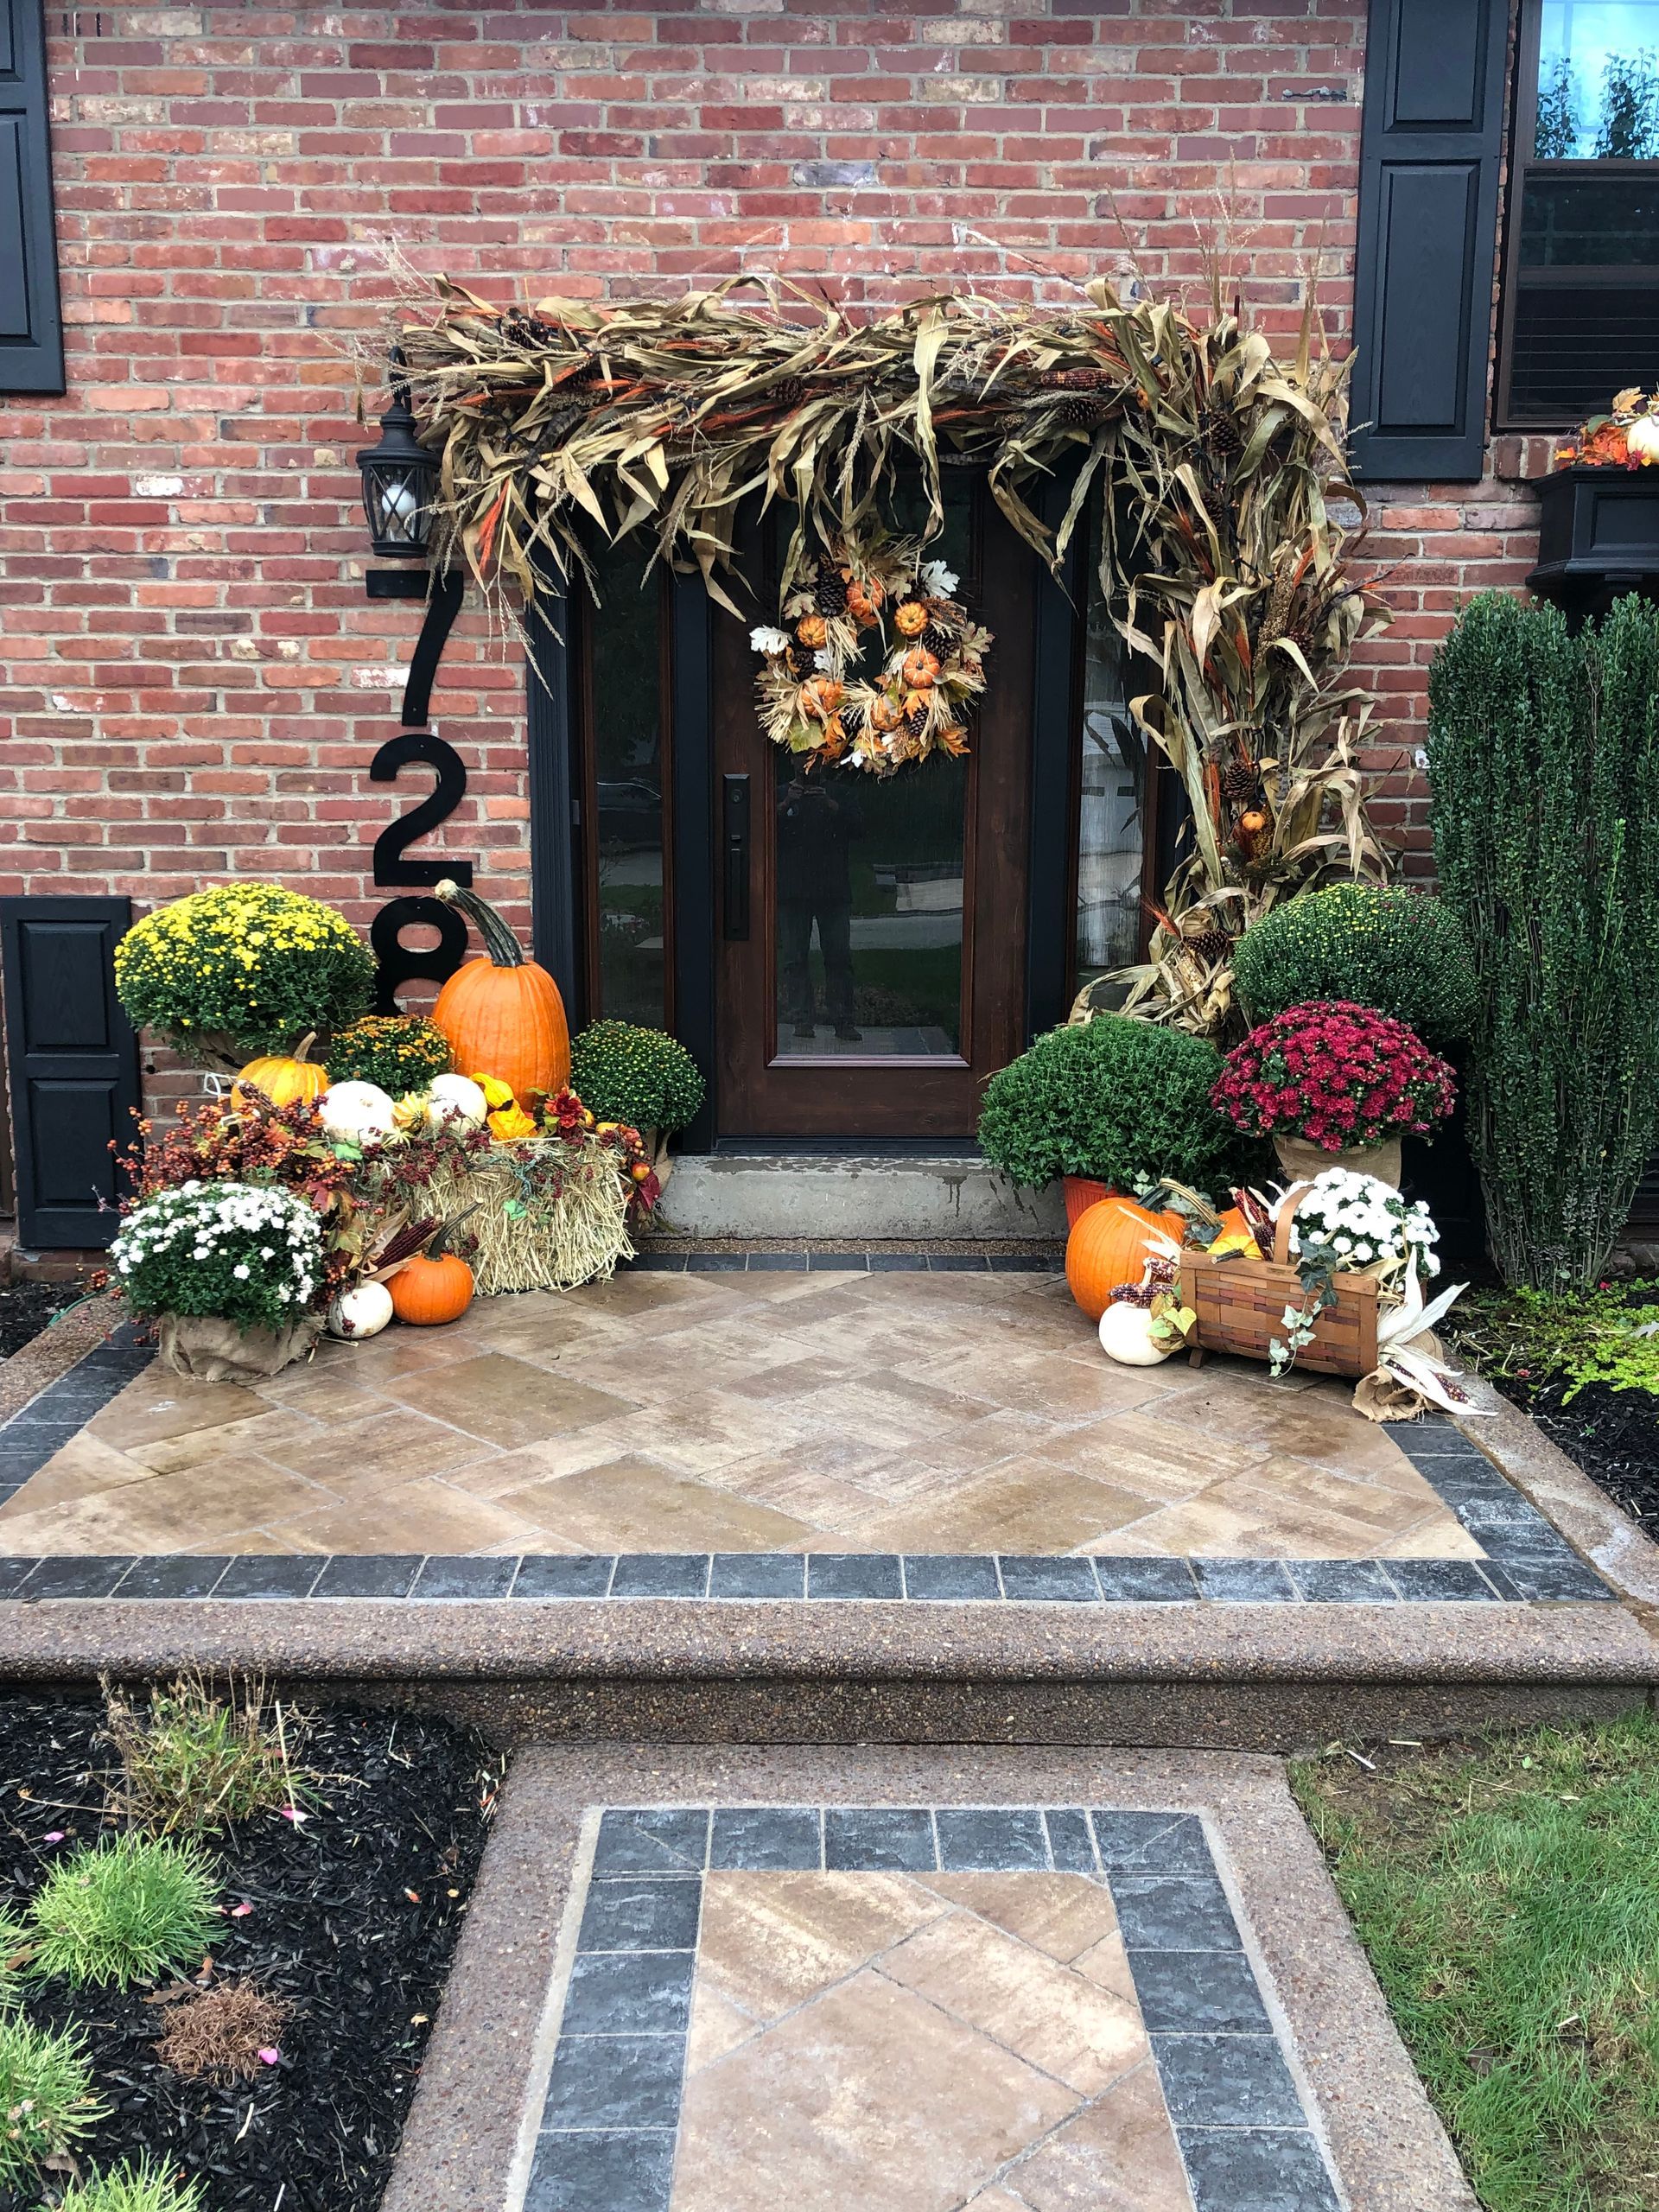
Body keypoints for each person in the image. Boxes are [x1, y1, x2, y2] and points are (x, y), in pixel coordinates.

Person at [775, 770, 862, 1040]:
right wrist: (786, 804)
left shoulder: (839, 793)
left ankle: (843, 1021)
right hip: (793, 890)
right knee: (794, 958)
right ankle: (801, 1020)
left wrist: (831, 805)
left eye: (815, 757)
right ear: (791, 761)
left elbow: (859, 829)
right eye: (802, 756)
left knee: (838, 957)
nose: (808, 766)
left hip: (832, 890)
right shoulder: (780, 794)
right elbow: (757, 829)